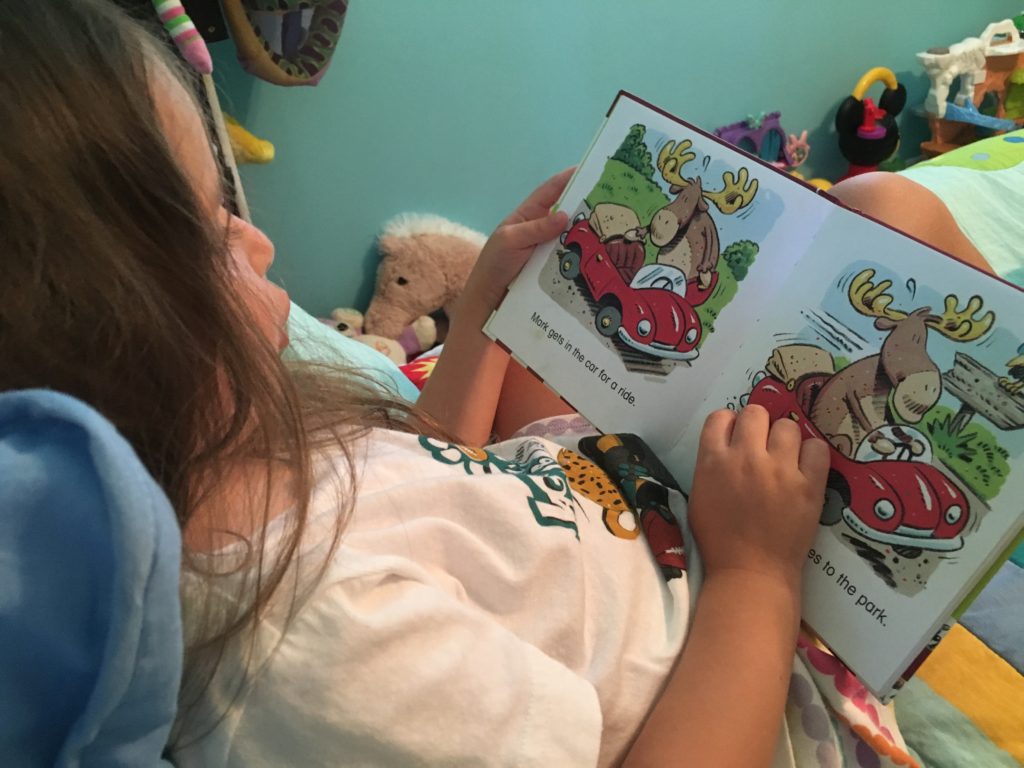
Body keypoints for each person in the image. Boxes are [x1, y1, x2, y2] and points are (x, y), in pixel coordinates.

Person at [0, 3, 920, 766]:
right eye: (212, 229)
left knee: (871, 204)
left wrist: (482, 308)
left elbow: (428, 482)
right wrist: (760, 576)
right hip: (732, 665)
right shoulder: (319, 654)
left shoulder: (239, 437)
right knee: (894, 205)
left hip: (629, 519)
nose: (261, 242)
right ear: (104, 330)